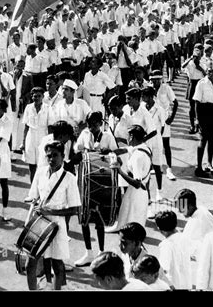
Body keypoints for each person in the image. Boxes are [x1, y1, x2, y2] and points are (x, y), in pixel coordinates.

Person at [25, 141, 81, 290]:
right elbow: (33, 196)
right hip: (39, 222)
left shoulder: (69, 178)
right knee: (30, 264)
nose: (51, 159)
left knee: (58, 266)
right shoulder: (40, 172)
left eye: (55, 155)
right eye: (48, 156)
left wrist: (50, 212)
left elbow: (74, 209)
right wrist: (34, 205)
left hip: (57, 225)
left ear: (63, 156)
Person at [73, 111, 118, 267]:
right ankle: (88, 253)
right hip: (86, 180)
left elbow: (116, 154)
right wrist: (82, 153)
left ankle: (100, 252)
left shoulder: (107, 136)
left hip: (101, 180)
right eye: (89, 124)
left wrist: (109, 153)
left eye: (94, 124)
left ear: (100, 123)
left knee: (99, 218)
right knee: (84, 217)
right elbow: (76, 149)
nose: (91, 127)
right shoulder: (85, 134)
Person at [111, 125, 152, 228]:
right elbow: (126, 149)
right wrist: (111, 152)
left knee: (132, 226)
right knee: (125, 220)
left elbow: (137, 183)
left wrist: (119, 171)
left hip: (136, 194)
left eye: (128, 136)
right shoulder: (144, 147)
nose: (126, 138)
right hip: (141, 193)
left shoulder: (137, 157)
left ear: (132, 137)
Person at [193, 61, 213, 177]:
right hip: (203, 111)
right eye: (209, 71)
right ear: (206, 71)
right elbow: (196, 101)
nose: (211, 73)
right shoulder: (201, 83)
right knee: (203, 139)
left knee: (212, 139)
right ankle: (199, 166)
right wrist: (197, 119)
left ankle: (209, 164)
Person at [150, 70, 178, 180]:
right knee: (153, 143)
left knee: (166, 144)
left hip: (164, 118)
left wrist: (171, 117)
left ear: (160, 79)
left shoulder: (166, 88)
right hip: (153, 119)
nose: (154, 82)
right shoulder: (149, 88)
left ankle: (169, 169)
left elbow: (175, 103)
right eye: (152, 80)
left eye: (156, 80)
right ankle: (155, 166)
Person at [155, 210, 192, 289]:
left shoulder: (166, 245)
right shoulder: (185, 237)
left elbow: (164, 270)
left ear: (160, 229)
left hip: (173, 285)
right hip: (187, 283)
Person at [20, 87, 49, 181]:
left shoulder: (48, 108)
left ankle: (41, 189)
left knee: (43, 165)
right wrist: (23, 142)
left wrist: (50, 142)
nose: (37, 98)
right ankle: (32, 189)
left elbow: (50, 127)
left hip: (43, 136)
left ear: (43, 97)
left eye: (39, 96)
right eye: (35, 96)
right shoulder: (28, 108)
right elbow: (26, 127)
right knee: (32, 165)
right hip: (31, 137)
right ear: (32, 97)